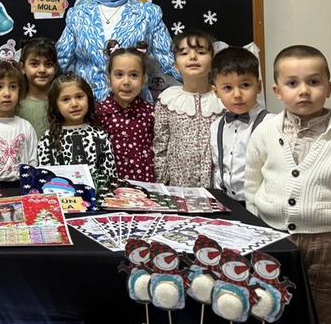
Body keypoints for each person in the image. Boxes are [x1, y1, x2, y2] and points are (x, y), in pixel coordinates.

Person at [245, 45, 331, 324]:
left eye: (314, 82)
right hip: (272, 236)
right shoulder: (265, 131)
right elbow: (252, 182)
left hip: (325, 241)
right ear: (278, 91)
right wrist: (255, 229)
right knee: (269, 306)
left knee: (323, 314)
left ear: (328, 88)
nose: (304, 90)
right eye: (292, 83)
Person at [56, 0, 178, 102]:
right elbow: (58, 64)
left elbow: (171, 63)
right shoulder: (78, 15)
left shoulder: (148, 13)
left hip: (134, 110)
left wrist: (207, 85)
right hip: (86, 109)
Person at [154, 30, 224, 187]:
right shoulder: (167, 100)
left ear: (212, 61)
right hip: (178, 186)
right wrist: (161, 185)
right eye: (184, 53)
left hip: (216, 186)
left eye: (201, 52)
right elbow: (160, 147)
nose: (193, 57)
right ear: (175, 65)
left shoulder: (223, 99)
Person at [210, 47, 269, 203]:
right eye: (227, 88)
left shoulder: (270, 124)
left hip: (258, 205)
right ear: (216, 92)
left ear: (259, 86)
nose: (237, 95)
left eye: (245, 85)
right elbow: (218, 167)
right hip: (225, 202)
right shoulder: (216, 126)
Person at [38, 73, 116, 192]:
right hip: (61, 198)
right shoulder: (48, 139)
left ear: (89, 99)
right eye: (66, 99)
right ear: (55, 105)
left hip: (95, 199)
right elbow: (45, 180)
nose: (74, 104)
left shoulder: (100, 136)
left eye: (79, 97)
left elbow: (110, 177)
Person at [97, 39, 155, 182]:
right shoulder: (100, 112)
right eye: (119, 75)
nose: (126, 82)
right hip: (111, 182)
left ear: (143, 80)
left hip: (144, 181)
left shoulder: (151, 112)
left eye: (134, 75)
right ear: (109, 79)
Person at [16, 37, 59, 137]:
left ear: (55, 68)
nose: (42, 70)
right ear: (22, 68)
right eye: (34, 64)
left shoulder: (63, 102)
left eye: (48, 64)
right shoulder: (15, 104)